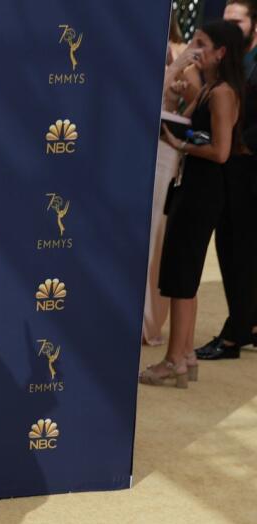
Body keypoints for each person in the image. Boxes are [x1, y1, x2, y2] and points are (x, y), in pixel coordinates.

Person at [143, 19, 246, 387]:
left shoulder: (222, 93)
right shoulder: (211, 89)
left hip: (203, 190)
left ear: (221, 52)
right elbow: (186, 122)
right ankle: (184, 355)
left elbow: (220, 151)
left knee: (180, 279)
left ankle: (174, 362)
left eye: (202, 43)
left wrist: (181, 145)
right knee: (180, 276)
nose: (195, 48)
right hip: (191, 187)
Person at [196, 0, 257, 359]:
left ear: (254, 26)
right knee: (234, 250)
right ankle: (245, 324)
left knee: (240, 254)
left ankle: (234, 335)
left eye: (239, 21)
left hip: (248, 170)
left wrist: (244, 144)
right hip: (231, 170)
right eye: (227, 20)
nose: (231, 26)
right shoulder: (229, 64)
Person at [144, 17, 204, 346]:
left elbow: (200, 102)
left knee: (156, 235)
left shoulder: (182, 51)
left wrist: (182, 91)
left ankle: (149, 323)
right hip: (135, 150)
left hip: (166, 152)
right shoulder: (137, 49)